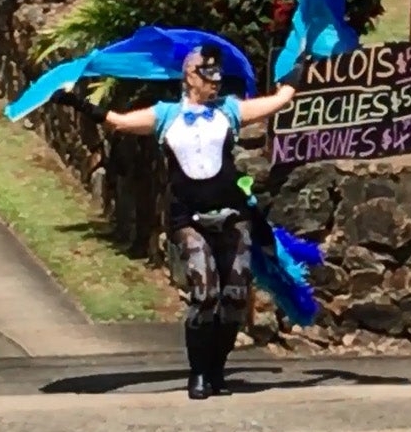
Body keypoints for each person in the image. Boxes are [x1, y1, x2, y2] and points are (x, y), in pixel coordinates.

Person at [53, 42, 310, 398]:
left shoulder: (230, 111)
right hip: (187, 217)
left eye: (220, 74)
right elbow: (119, 122)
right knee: (204, 293)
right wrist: (76, 101)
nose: (216, 81)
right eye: (209, 74)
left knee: (235, 295)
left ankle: (217, 367)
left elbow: (278, 102)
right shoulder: (165, 116)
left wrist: (296, 73)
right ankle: (199, 373)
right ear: (191, 76)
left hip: (233, 215)